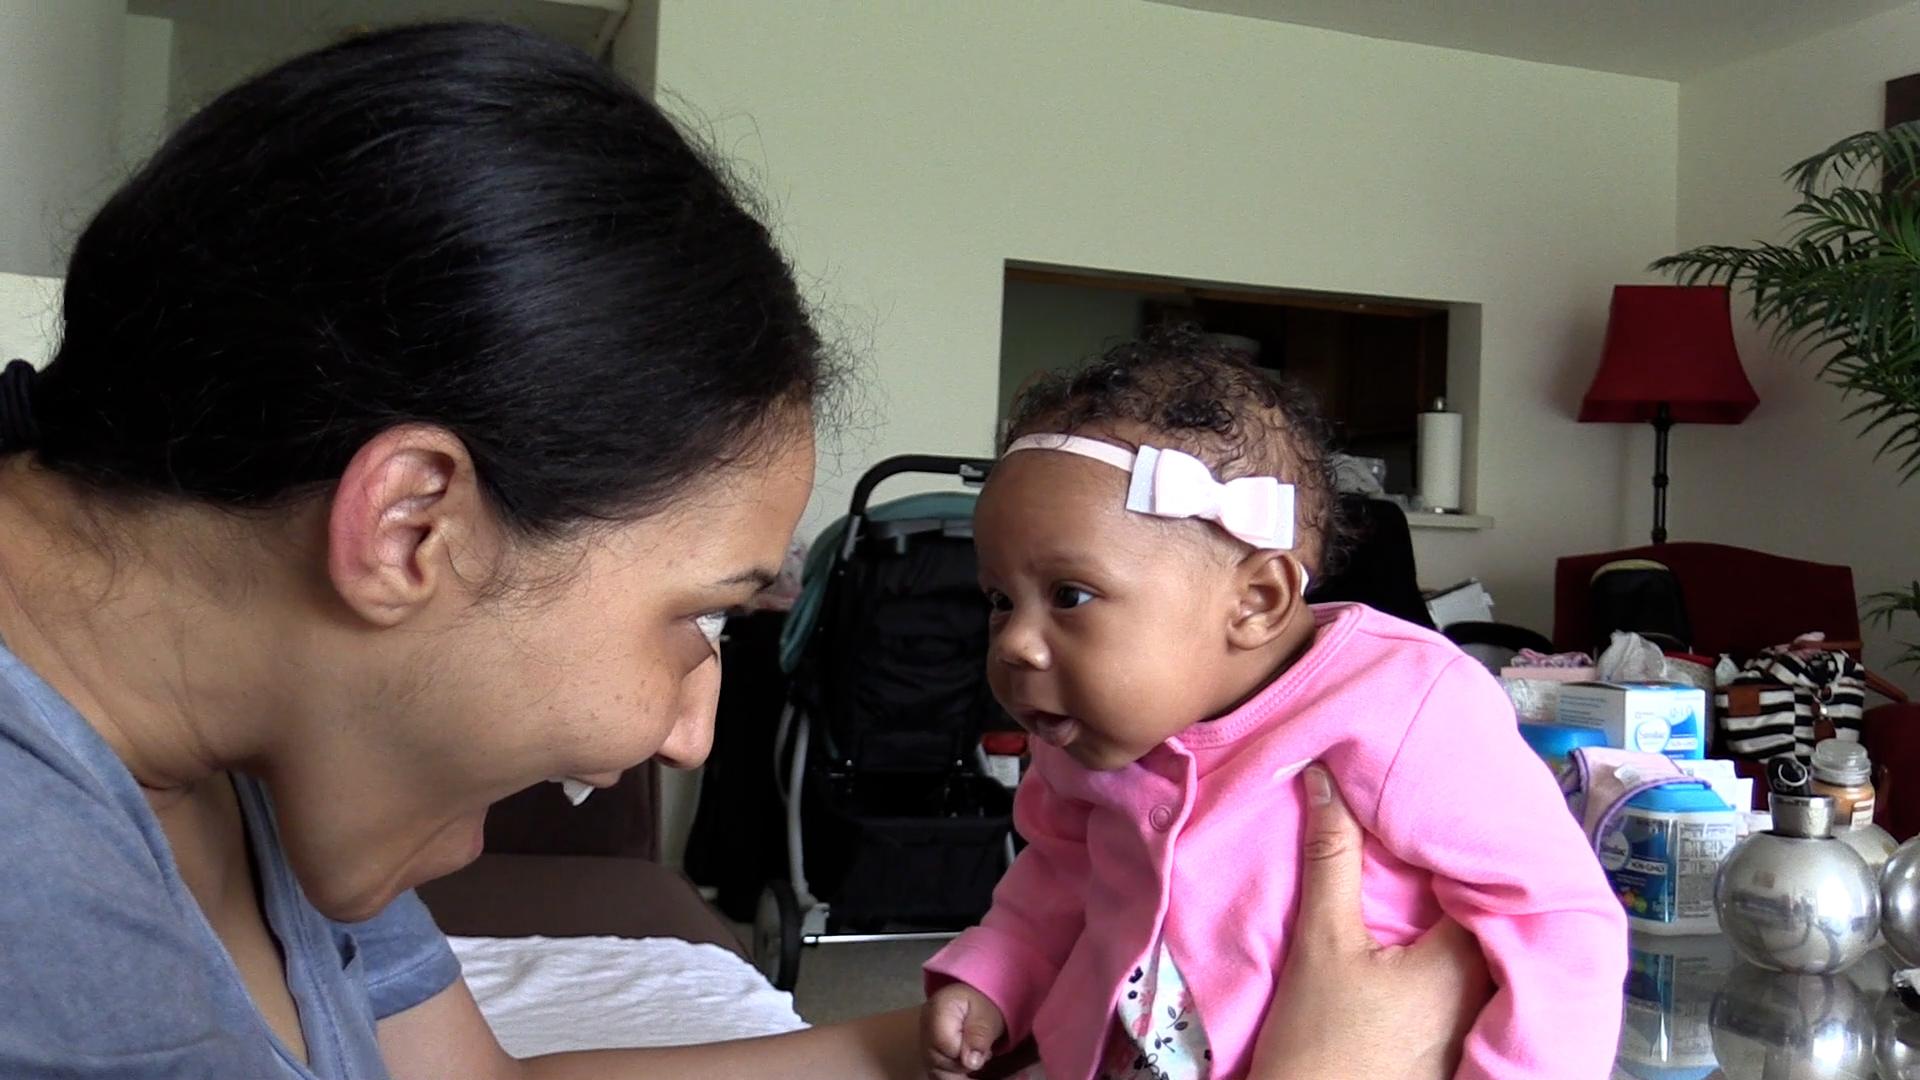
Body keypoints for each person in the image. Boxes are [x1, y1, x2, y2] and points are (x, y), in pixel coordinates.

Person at [0, 21, 1490, 1080]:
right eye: (701, 614)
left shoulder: (257, 732)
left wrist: (1049, 1023)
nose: (697, 722)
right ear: (411, 528)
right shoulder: (44, 932)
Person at [922, 332, 1628, 1080]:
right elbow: (1060, 869)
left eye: (1071, 596)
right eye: (1000, 600)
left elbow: (1552, 919)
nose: (1016, 645)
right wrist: (997, 973)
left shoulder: (1406, 701)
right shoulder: (1082, 733)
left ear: (1257, 601)